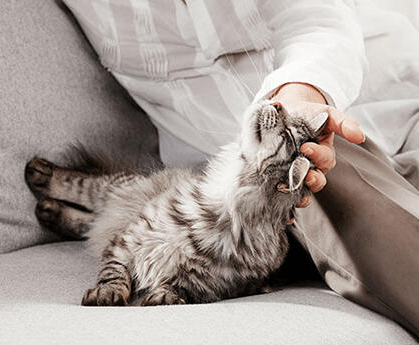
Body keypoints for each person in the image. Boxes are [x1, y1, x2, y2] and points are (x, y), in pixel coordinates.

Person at [63, 0, 418, 336]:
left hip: (378, 114)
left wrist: (299, 95)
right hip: (275, 176)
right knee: (297, 177)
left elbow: (317, 21)